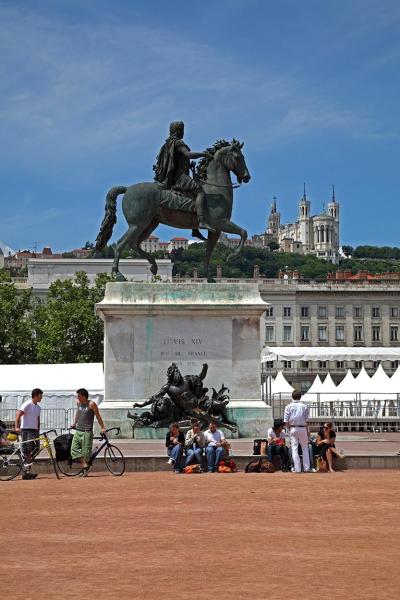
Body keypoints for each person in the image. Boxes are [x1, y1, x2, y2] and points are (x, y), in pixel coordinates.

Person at [153, 121, 215, 233]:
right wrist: (204, 154)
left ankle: (194, 230)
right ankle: (201, 221)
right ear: (179, 131)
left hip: (172, 176)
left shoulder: (166, 144)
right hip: (179, 177)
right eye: (182, 130)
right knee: (200, 191)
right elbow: (188, 155)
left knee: (191, 195)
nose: (183, 132)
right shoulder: (177, 143)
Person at [70, 388, 106, 476]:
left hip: (87, 432)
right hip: (78, 431)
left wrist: (102, 427)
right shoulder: (78, 403)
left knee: (86, 453)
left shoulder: (92, 404)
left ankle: (84, 469)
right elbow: (78, 413)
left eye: (79, 396)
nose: (77, 398)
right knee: (73, 449)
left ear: (84, 396)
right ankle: (85, 465)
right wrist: (75, 423)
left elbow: (98, 416)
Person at [15, 388, 43, 480]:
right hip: (26, 430)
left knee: (36, 449)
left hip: (35, 431)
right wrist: (17, 427)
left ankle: (27, 469)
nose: (41, 398)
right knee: (27, 451)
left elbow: (38, 420)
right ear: (35, 395)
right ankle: (26, 472)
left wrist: (38, 431)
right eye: (40, 396)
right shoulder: (27, 404)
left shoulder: (38, 407)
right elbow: (18, 415)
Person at [284, 389, 313, 473]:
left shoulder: (288, 406)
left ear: (292, 397)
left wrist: (289, 429)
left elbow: (286, 421)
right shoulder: (304, 406)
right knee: (305, 448)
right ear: (300, 397)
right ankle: (307, 468)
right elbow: (307, 420)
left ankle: (297, 469)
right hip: (303, 428)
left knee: (294, 448)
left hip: (293, 428)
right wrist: (307, 430)